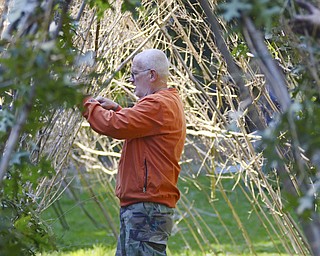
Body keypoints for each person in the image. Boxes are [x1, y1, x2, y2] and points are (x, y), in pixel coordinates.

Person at [82, 48, 186, 255]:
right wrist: (119, 110)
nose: (130, 80)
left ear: (152, 75)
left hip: (147, 207)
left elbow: (115, 126)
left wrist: (85, 103)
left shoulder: (158, 104)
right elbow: (135, 125)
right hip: (145, 206)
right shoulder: (165, 102)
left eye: (134, 74)